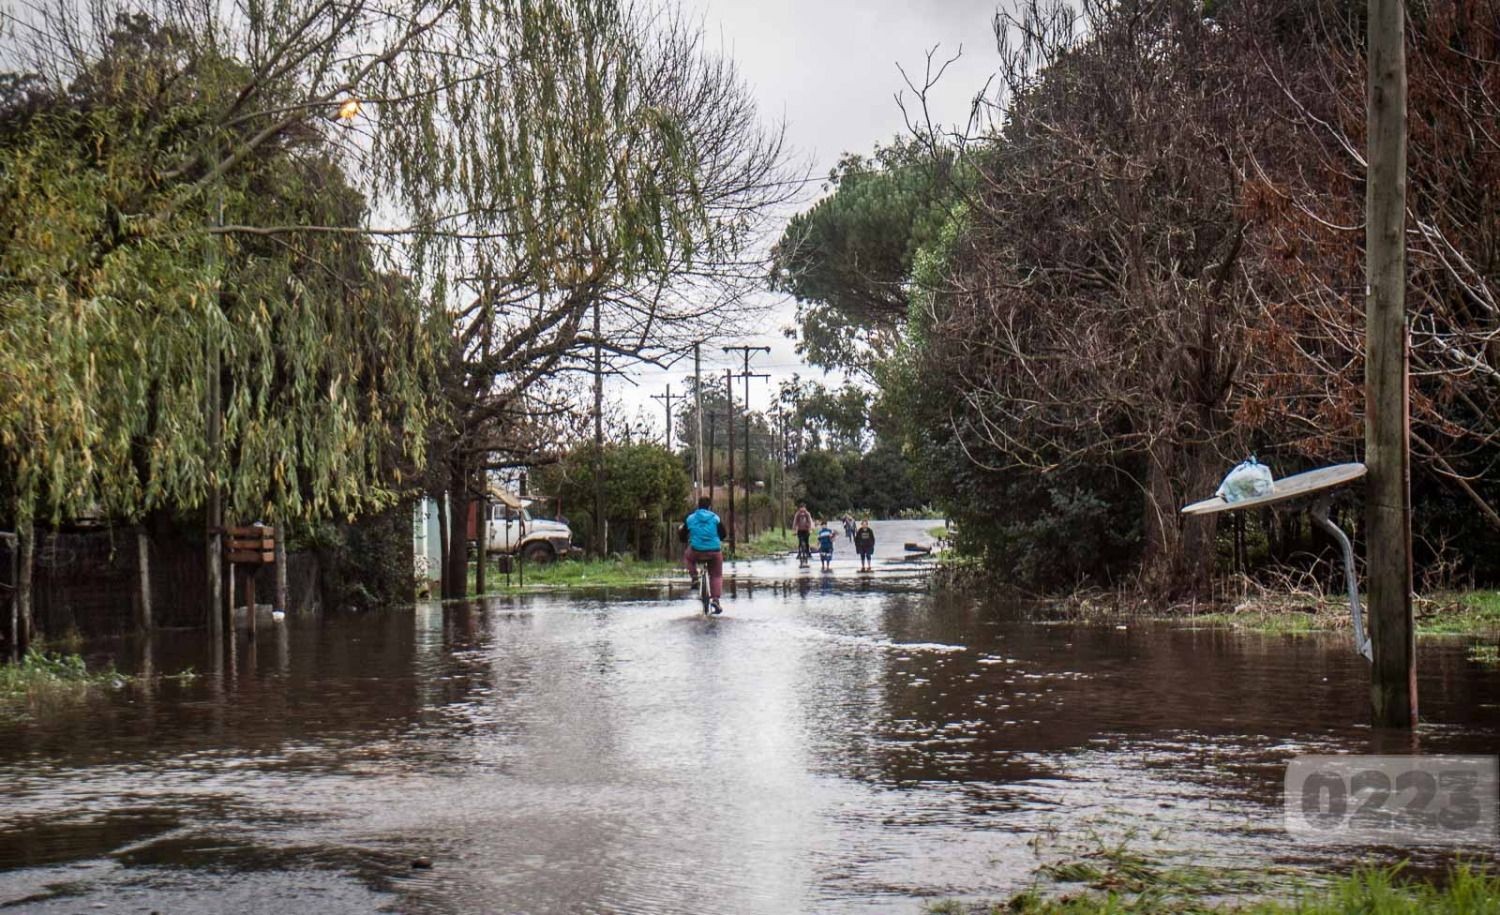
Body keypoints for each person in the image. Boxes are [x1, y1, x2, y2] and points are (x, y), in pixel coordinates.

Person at [678, 496, 727, 614]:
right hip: (714, 551)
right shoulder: (715, 518)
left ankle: (694, 577)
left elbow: (683, 534)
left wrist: (685, 539)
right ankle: (715, 600)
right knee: (716, 575)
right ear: (710, 506)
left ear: (698, 506)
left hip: (696, 550)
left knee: (688, 557)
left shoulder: (690, 518)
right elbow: (723, 534)